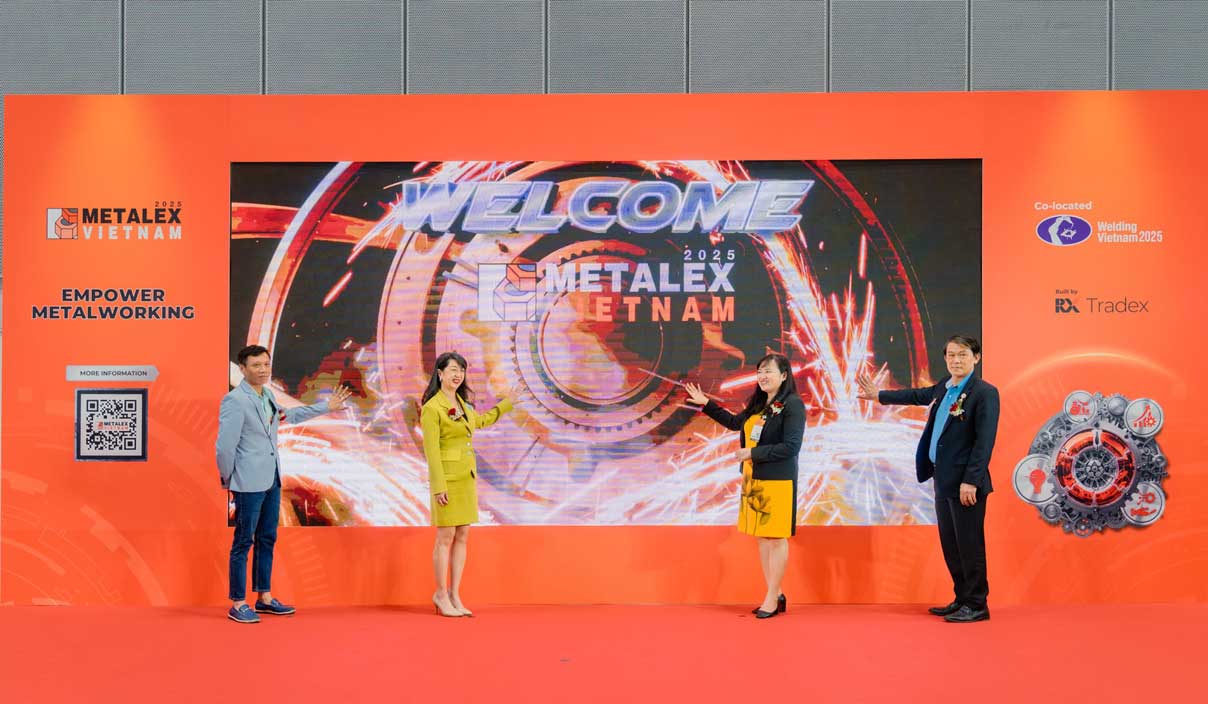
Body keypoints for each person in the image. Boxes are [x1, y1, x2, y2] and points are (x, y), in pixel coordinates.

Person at [856, 334, 999, 623]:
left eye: (963, 355)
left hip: (966, 485)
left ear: (976, 358)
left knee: (969, 545)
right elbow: (916, 395)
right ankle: (961, 598)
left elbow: (984, 442)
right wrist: (879, 396)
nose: (956, 360)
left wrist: (971, 481)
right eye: (951, 355)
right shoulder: (945, 387)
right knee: (951, 545)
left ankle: (977, 604)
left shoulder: (984, 393)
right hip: (942, 479)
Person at [216, 344, 351, 624]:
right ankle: (238, 602)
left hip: (272, 479)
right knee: (243, 541)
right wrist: (229, 478)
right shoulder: (234, 400)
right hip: (247, 482)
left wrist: (326, 407)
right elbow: (224, 447)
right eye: (256, 365)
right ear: (242, 369)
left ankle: (264, 597)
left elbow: (291, 416)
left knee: (267, 538)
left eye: (266, 364)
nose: (263, 370)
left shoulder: (267, 395)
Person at [686, 353, 804, 619]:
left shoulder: (793, 405)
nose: (763, 376)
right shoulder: (760, 403)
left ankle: (771, 598)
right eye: (760, 371)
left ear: (784, 375)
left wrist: (753, 453)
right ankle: (776, 592)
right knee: (762, 538)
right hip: (753, 480)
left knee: (776, 538)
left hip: (778, 481)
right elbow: (734, 423)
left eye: (768, 371)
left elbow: (791, 447)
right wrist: (707, 404)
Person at [420, 352, 517, 617]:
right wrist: (438, 486)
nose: (458, 374)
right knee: (445, 537)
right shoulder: (432, 408)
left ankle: (455, 594)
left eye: (461, 370)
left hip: (466, 478)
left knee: (462, 535)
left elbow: (481, 422)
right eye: (452, 369)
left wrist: (507, 404)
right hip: (447, 480)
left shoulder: (463, 404)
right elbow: (431, 451)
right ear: (440, 373)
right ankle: (440, 594)